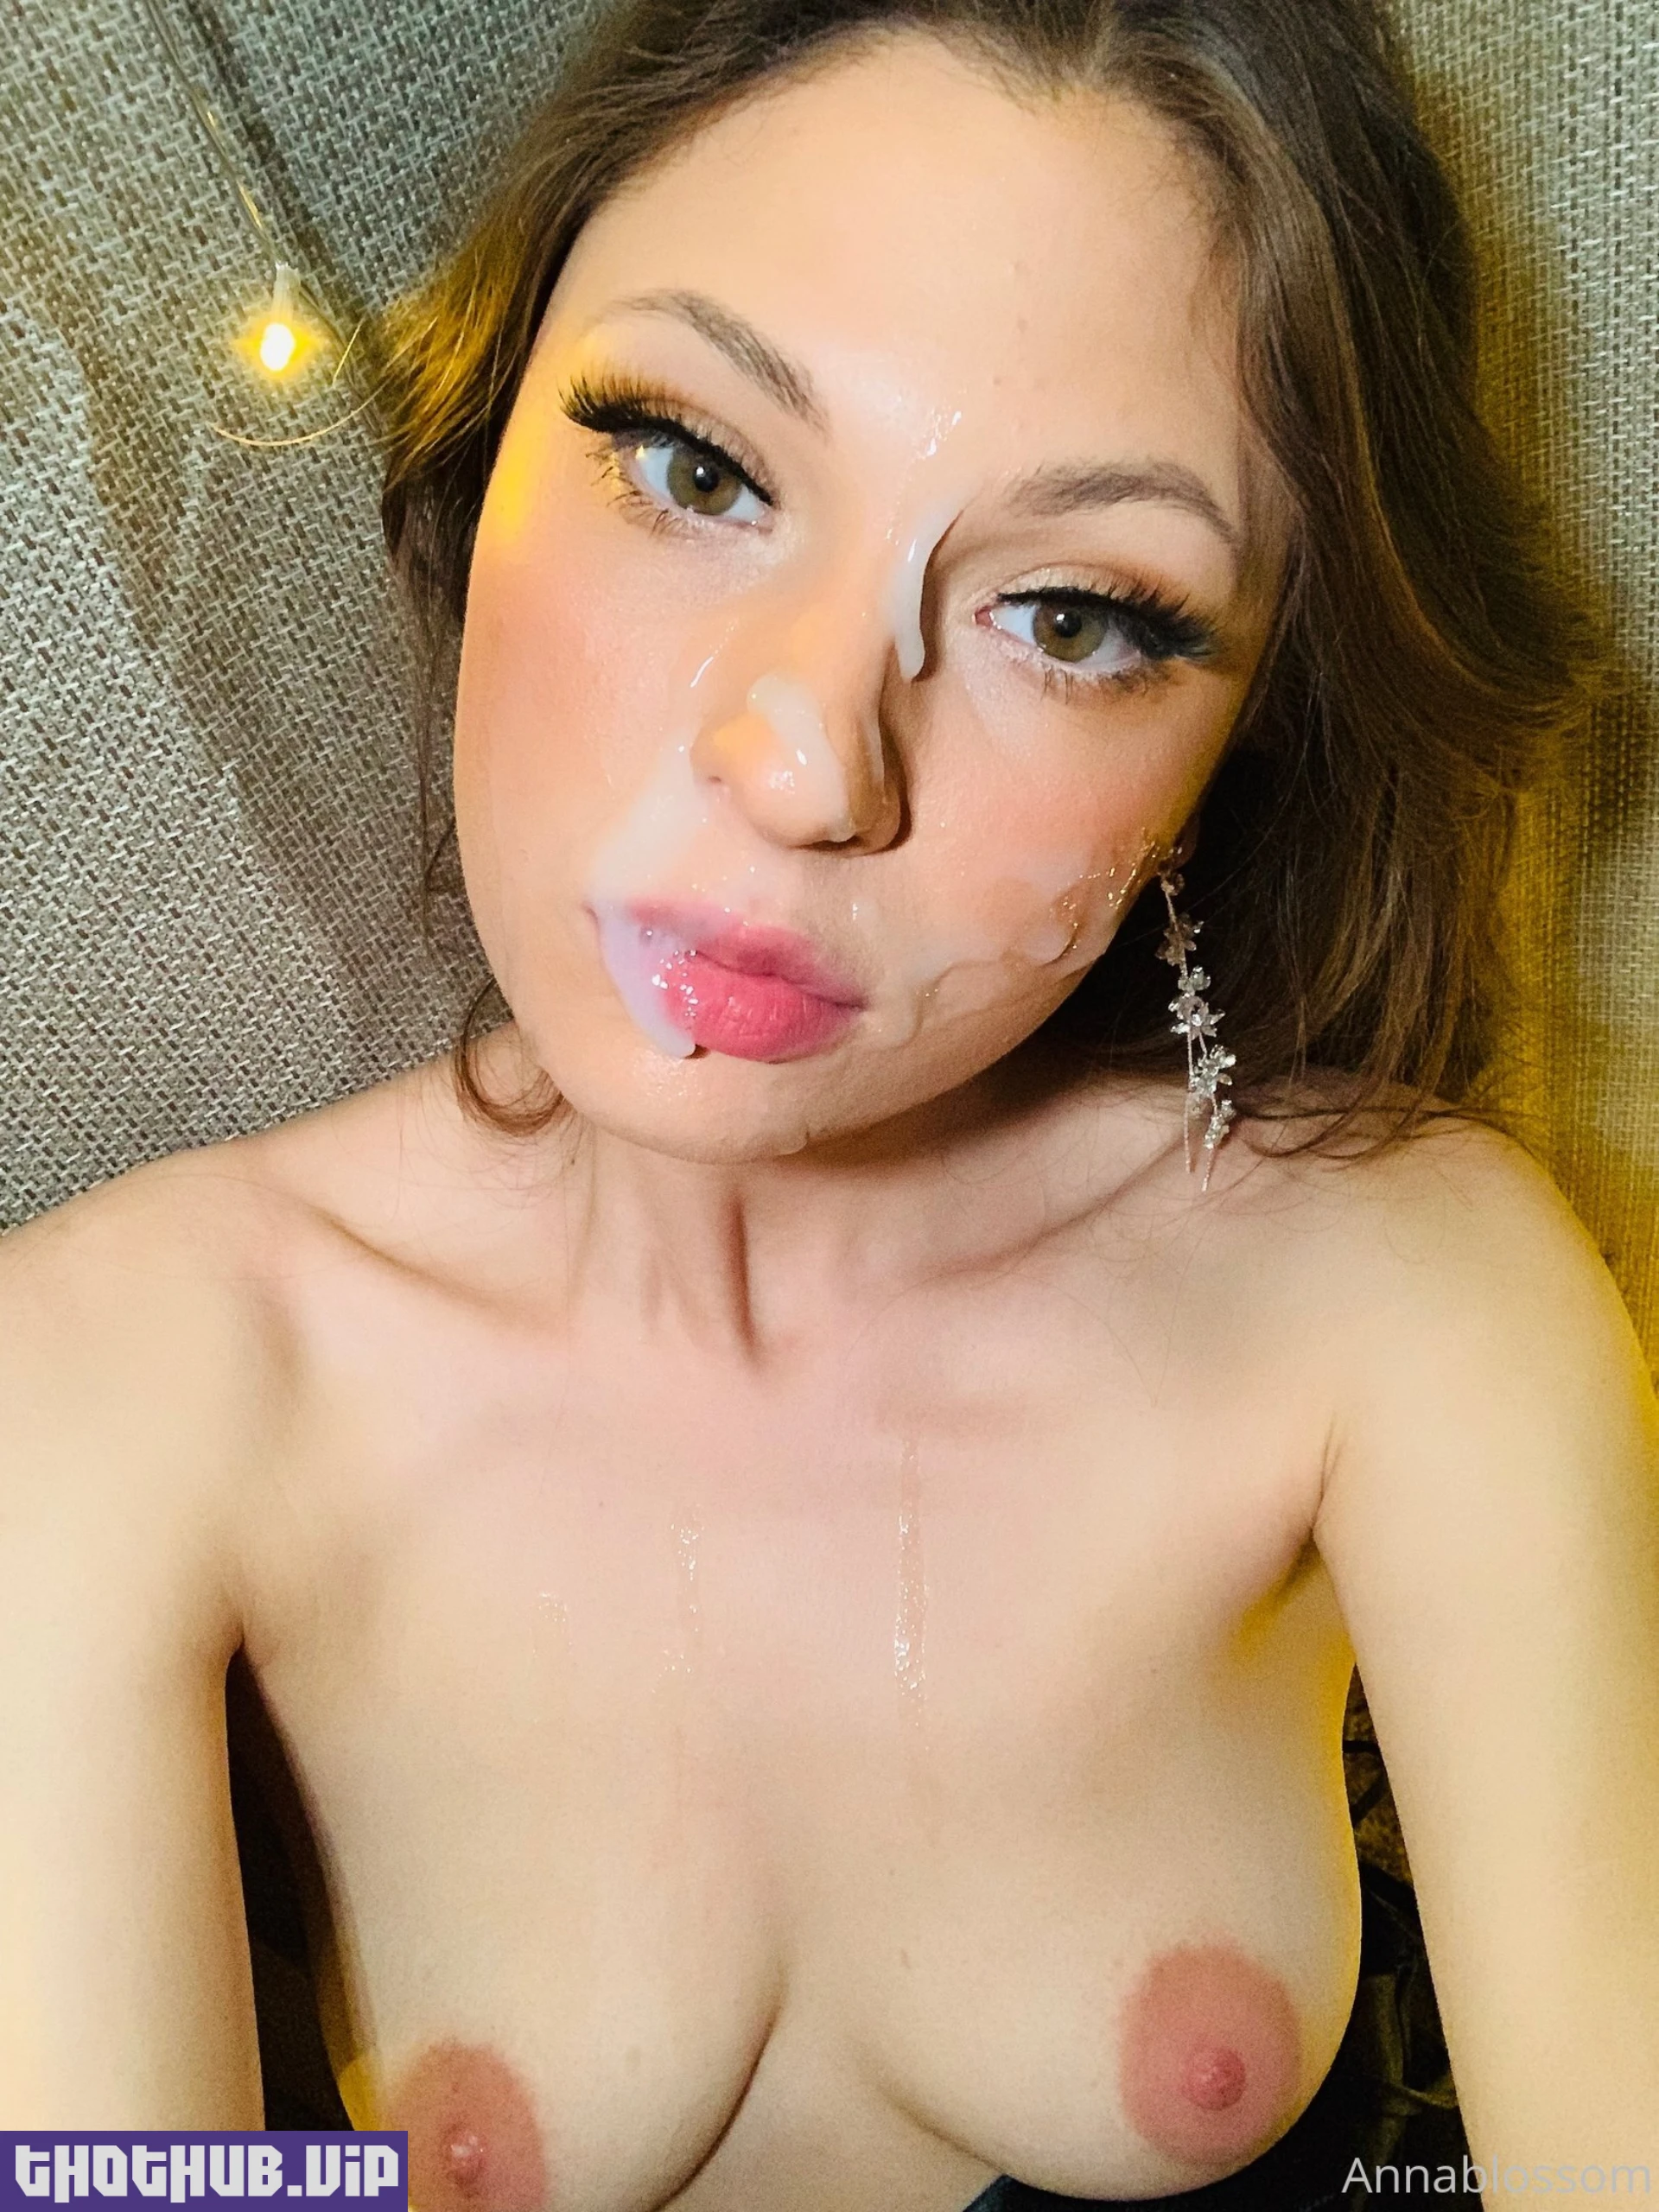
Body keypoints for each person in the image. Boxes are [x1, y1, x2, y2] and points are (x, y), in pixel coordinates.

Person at [3, 0, 1656, 2203]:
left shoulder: (1411, 1304)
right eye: (695, 467)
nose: (804, 763)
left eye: (1074, 613)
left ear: (1232, 746)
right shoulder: (112, 1386)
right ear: (486, 442)